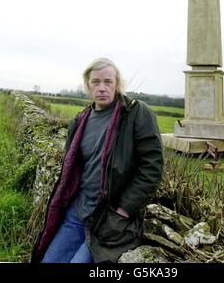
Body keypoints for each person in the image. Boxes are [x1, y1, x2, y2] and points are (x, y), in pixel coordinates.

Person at [31, 57, 164, 263]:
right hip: (76, 213)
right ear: (88, 85)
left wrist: (124, 209)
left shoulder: (136, 113)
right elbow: (73, 168)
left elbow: (152, 167)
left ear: (117, 84)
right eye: (96, 82)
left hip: (110, 219)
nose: (102, 87)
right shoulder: (80, 120)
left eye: (108, 81)